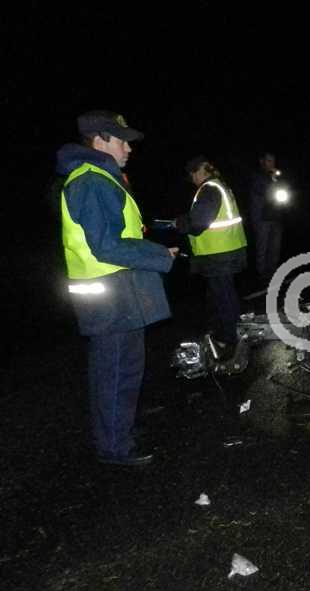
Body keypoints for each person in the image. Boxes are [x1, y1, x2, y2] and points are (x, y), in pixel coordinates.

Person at [56, 110, 176, 466]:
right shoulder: (91, 181)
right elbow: (106, 246)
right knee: (116, 370)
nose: (128, 148)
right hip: (109, 296)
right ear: (100, 140)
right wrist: (158, 255)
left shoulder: (100, 177)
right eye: (122, 140)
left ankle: (119, 431)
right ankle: (114, 446)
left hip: (118, 290)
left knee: (124, 367)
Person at [175, 156, 247, 358]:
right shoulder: (221, 186)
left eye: (193, 174)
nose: (192, 179)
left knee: (223, 297)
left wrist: (181, 223)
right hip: (229, 249)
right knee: (225, 295)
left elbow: (198, 222)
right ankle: (232, 333)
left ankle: (230, 339)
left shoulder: (209, 189)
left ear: (200, 171)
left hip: (218, 254)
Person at [249, 151, 287, 288]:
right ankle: (261, 276)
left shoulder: (275, 176)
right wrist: (274, 179)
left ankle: (272, 274)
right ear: (262, 161)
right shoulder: (257, 176)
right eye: (269, 160)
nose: (272, 163)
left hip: (275, 217)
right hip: (262, 217)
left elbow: (283, 191)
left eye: (273, 161)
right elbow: (265, 190)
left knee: (274, 248)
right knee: (262, 248)